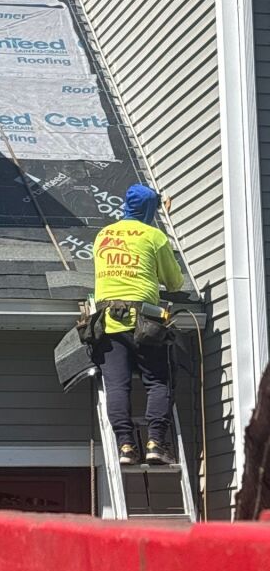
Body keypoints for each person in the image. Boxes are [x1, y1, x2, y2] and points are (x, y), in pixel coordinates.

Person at [93, 184, 183, 466]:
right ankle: (156, 442)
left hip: (108, 323)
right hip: (146, 322)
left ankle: (126, 446)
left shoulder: (103, 235)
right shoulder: (154, 236)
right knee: (157, 382)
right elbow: (175, 282)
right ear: (149, 210)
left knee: (117, 386)